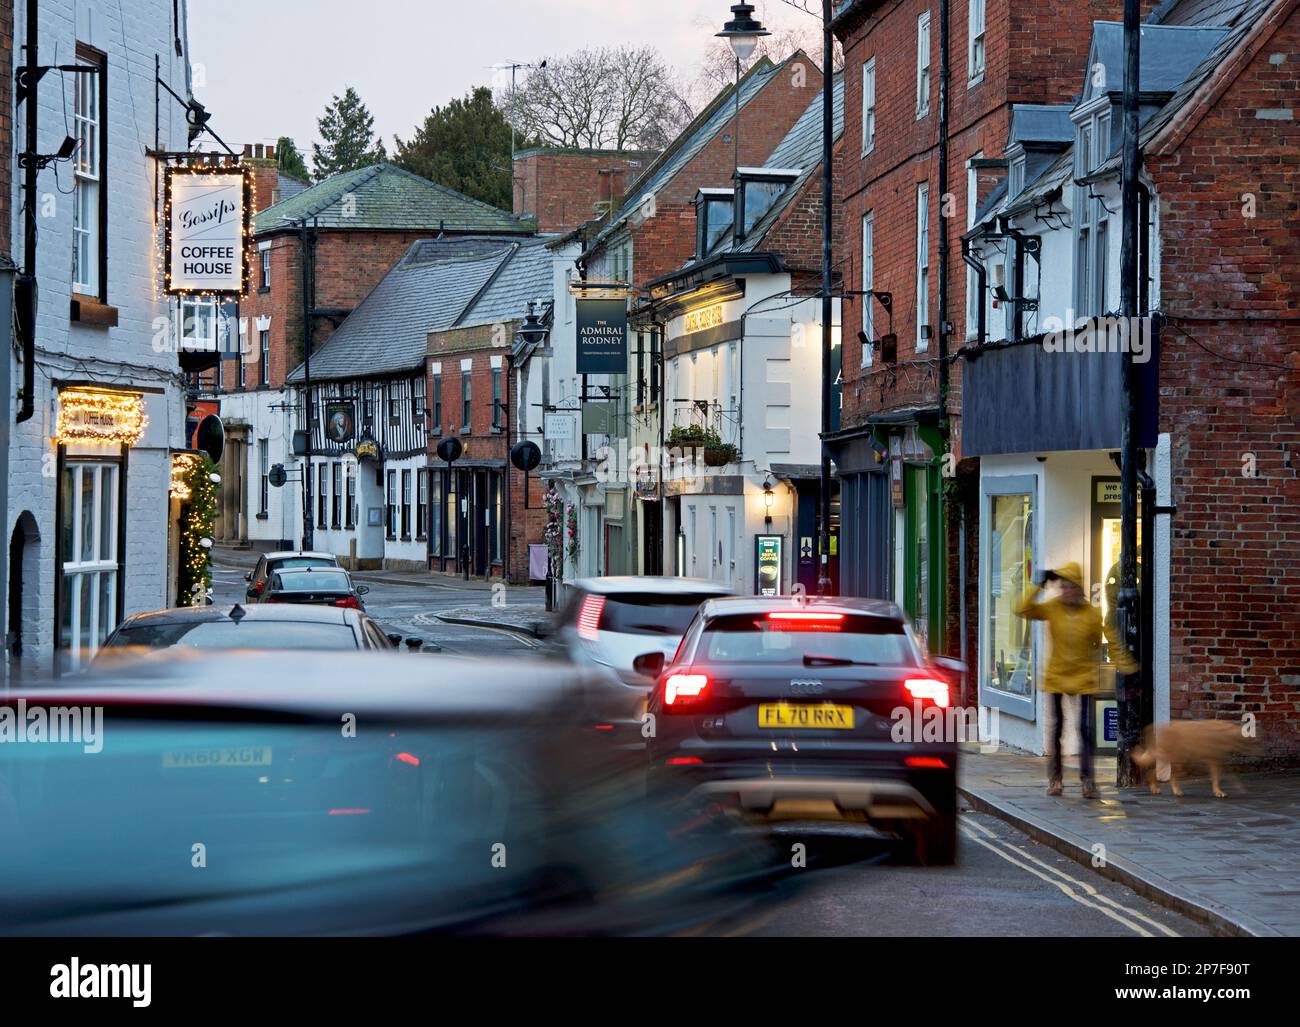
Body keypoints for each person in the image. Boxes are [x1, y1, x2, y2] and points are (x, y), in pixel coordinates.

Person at [1014, 562, 1103, 798]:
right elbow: (1021, 610)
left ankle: (1088, 781)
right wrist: (1040, 585)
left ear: (1079, 588)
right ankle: (1055, 780)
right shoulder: (1052, 608)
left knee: (1085, 729)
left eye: (1070, 587)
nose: (1066, 592)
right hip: (1056, 677)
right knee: (1057, 730)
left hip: (1083, 679)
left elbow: (1096, 641)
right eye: (1062, 587)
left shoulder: (1092, 614)